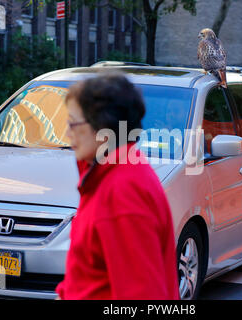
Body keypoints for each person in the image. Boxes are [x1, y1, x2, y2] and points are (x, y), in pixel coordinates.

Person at [55, 73, 180, 300]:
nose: (66, 133)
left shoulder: (123, 191)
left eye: (73, 123)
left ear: (103, 128)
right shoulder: (106, 174)